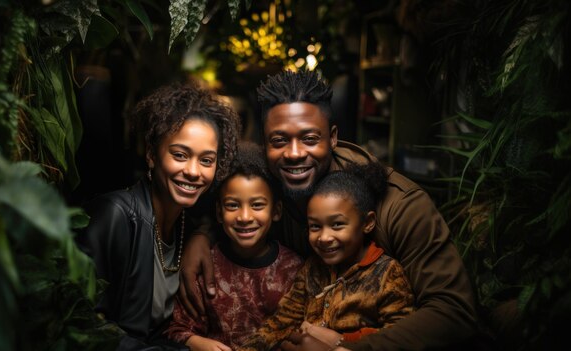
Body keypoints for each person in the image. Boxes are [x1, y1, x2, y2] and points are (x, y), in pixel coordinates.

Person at [179, 70, 478, 350]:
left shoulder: (398, 205)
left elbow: (454, 311)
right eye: (279, 140)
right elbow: (229, 202)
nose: (294, 154)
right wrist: (202, 235)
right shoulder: (267, 185)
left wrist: (342, 348)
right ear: (265, 144)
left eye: (310, 139)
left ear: (333, 137)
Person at [76, 82, 240, 350]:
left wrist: (202, 234)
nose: (193, 171)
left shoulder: (187, 223)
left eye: (206, 160)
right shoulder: (114, 216)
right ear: (152, 155)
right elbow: (85, 328)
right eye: (179, 155)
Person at [239, 162, 415, 351]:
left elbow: (398, 336)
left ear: (368, 223)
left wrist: (340, 340)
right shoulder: (312, 268)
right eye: (315, 226)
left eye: (337, 225)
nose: (324, 237)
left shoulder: (387, 274)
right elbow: (282, 321)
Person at [165, 142, 304, 351]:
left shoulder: (293, 268)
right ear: (219, 213)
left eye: (257, 205)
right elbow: (176, 330)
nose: (245, 217)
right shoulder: (206, 266)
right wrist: (197, 342)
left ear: (276, 211)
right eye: (232, 205)